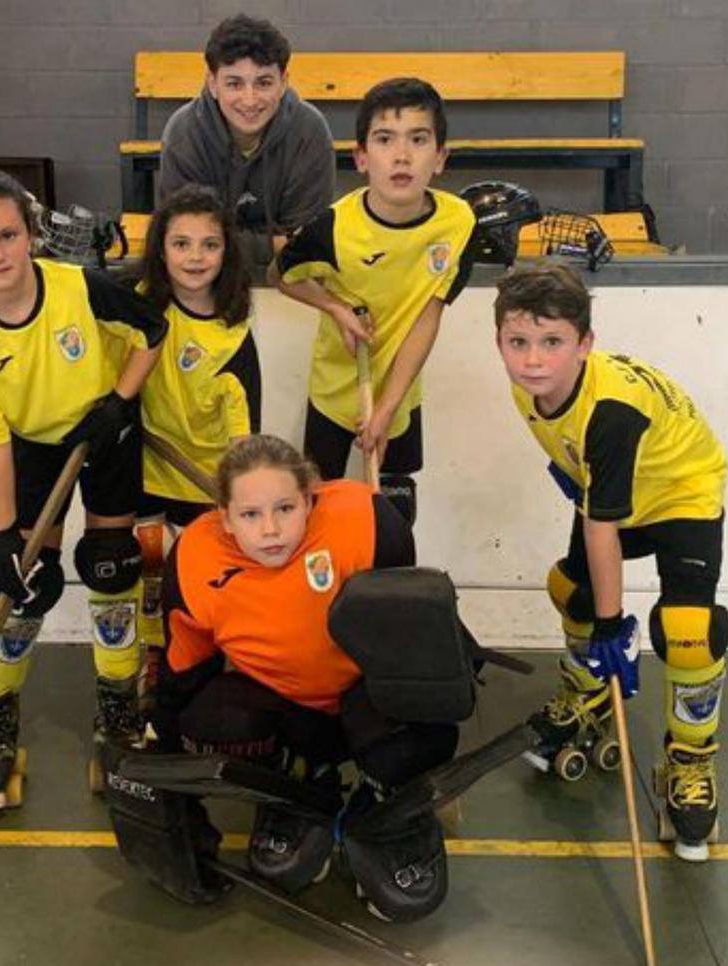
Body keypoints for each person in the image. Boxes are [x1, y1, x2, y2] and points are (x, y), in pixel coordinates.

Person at [142, 434, 460, 920]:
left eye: (286, 508)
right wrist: (159, 751)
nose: (270, 529)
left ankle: (386, 799)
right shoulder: (193, 560)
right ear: (224, 517)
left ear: (311, 498)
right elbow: (185, 667)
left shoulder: (367, 519)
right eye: (250, 515)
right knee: (210, 720)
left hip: (369, 697)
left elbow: (409, 632)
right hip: (289, 711)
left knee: (420, 736)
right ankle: (299, 787)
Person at [0, 168, 167, 809]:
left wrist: (120, 403)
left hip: (104, 433)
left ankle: (119, 706)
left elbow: (152, 331)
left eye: (8, 234)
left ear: (31, 234)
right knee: (27, 586)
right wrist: (2, 536)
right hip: (35, 450)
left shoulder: (79, 287)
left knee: (111, 569)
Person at [494, 261, 728, 862]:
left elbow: (603, 526)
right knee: (568, 587)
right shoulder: (534, 389)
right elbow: (580, 478)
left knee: (688, 632)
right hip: (617, 489)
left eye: (552, 342)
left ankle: (690, 762)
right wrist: (599, 621)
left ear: (585, 343)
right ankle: (589, 696)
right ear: (499, 340)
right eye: (517, 342)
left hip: (681, 490)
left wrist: (611, 627)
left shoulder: (610, 413)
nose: (533, 360)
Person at [271, 77, 476, 526]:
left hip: (400, 392)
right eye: (385, 140)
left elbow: (427, 318)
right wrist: (336, 308)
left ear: (440, 157)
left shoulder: (457, 223)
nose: (402, 155)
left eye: (419, 140)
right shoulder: (333, 228)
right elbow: (282, 276)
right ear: (361, 157)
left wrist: (386, 407)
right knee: (317, 511)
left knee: (396, 514)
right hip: (333, 391)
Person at [134, 183, 260, 714]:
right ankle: (151, 658)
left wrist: (238, 494)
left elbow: (243, 434)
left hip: (202, 481)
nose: (195, 257)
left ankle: (201, 664)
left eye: (209, 245)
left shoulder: (234, 333)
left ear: (226, 252)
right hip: (142, 466)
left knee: (195, 581)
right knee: (147, 571)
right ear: (161, 248)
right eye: (181, 243)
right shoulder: (139, 306)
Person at [158, 13, 335, 270]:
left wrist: (220, 241)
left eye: (263, 83)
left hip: (290, 278)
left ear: (283, 82)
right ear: (213, 84)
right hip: (206, 279)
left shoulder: (310, 131)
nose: (250, 100)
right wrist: (271, 243)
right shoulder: (184, 133)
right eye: (234, 84)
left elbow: (305, 246)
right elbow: (188, 244)